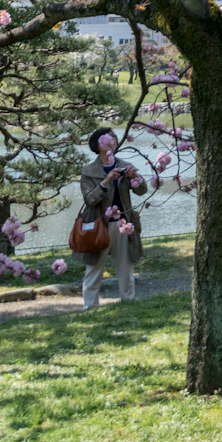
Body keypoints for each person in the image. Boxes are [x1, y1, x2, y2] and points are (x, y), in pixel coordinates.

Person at [77, 126, 146, 309]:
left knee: (126, 268)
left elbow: (142, 191)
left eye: (114, 139)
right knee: (94, 269)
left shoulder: (124, 165)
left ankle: (128, 304)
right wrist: (106, 182)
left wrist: (135, 177)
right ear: (97, 144)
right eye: (107, 139)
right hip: (98, 226)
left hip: (124, 226)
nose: (112, 142)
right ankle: (90, 307)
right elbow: (90, 199)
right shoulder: (88, 171)